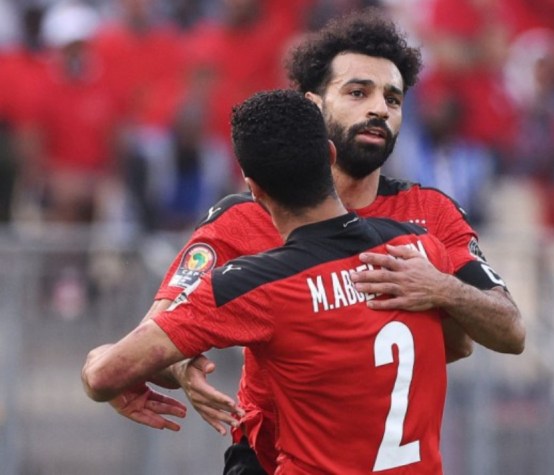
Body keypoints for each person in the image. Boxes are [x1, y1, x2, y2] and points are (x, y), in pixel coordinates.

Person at [107, 9, 525, 475]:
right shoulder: (242, 218)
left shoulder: (431, 214)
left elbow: (510, 330)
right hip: (267, 461)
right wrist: (181, 367)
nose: (379, 109)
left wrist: (442, 289)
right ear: (313, 105)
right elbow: (153, 336)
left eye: (393, 98)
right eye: (357, 92)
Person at [83, 89, 453, 473]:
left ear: (254, 188)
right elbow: (456, 343)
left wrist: (106, 360)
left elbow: (103, 375)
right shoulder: (421, 248)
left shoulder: (255, 286)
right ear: (331, 155)